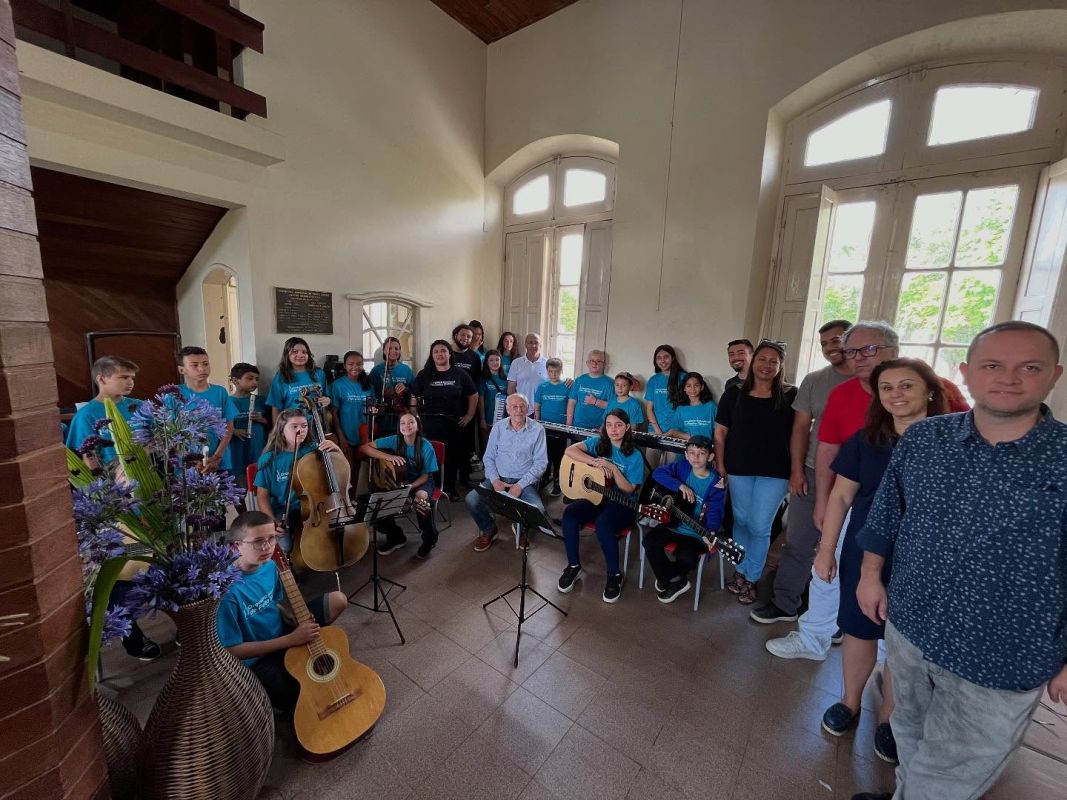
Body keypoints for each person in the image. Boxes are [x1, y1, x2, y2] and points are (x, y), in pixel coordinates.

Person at [850, 322, 1067, 800]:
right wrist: (869, 575)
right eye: (992, 365)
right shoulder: (926, 439)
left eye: (1028, 367)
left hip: (1002, 653)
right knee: (908, 735)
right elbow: (887, 513)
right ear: (967, 373)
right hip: (912, 625)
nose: (1008, 378)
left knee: (951, 773)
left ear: (1054, 374)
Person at [765, 321, 970, 660]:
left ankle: (895, 659)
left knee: (902, 582)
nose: (857, 358)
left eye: (868, 349)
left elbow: (970, 444)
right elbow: (828, 449)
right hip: (859, 502)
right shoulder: (842, 394)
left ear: (893, 349)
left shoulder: (939, 388)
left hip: (926, 515)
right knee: (827, 569)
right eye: (851, 351)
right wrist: (824, 502)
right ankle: (816, 637)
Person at [814, 358, 948, 765]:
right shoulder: (866, 440)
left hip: (923, 557)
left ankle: (890, 719)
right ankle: (850, 702)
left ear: (929, 390)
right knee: (859, 630)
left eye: (906, 386)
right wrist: (826, 549)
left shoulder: (952, 442)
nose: (896, 395)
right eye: (886, 388)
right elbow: (840, 496)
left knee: (904, 643)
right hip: (865, 550)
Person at [750, 319, 851, 625]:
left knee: (846, 550)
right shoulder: (815, 380)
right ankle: (785, 603)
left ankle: (836, 619)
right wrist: (796, 471)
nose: (831, 347)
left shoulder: (872, 379)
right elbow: (799, 429)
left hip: (855, 480)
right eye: (824, 343)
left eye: (838, 340)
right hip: (812, 470)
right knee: (798, 542)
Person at [216, 510, 347, 719]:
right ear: (236, 546)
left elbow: (274, 602)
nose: (268, 547)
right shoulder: (227, 593)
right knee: (305, 698)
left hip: (283, 633)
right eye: (258, 542)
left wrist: (291, 617)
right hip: (258, 657)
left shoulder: (268, 565)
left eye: (271, 538)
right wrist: (290, 640)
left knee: (338, 599)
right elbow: (232, 649)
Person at [713, 339, 795, 606]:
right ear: (754, 361)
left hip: (776, 473)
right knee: (740, 521)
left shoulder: (791, 395)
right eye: (763, 359)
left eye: (774, 361)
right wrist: (721, 465)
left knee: (759, 526)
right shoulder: (733, 393)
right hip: (739, 468)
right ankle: (740, 569)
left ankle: (752, 577)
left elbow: (798, 437)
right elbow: (721, 432)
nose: (767, 365)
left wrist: (796, 471)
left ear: (781, 365)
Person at [557, 409, 646, 603]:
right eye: (609, 425)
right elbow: (569, 451)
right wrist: (594, 461)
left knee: (603, 524)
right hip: (597, 496)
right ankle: (573, 565)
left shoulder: (635, 456)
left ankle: (614, 574)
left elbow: (630, 489)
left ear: (628, 427)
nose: (613, 429)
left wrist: (613, 469)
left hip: (623, 503)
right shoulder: (598, 443)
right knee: (570, 515)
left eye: (619, 425)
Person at [644, 435, 726, 604]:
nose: (695, 457)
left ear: (710, 457)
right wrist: (679, 485)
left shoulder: (716, 483)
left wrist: (710, 532)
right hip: (673, 523)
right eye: (692, 453)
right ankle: (675, 580)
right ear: (686, 455)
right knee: (650, 541)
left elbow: (715, 512)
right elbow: (658, 473)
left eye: (701, 453)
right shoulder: (682, 467)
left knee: (688, 558)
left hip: (694, 532)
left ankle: (666, 577)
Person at [465, 394, 548, 552]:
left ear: (528, 408)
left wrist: (520, 485)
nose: (519, 410)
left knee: (538, 509)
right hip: (499, 478)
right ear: (508, 410)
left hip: (525, 481)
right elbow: (488, 457)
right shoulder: (498, 427)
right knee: (471, 499)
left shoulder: (538, 430)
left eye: (522, 406)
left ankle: (522, 529)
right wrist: (495, 480)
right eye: (514, 407)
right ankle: (489, 529)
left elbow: (541, 463)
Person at [254, 408, 342, 553]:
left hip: (313, 509)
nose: (300, 430)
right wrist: (271, 522)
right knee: (284, 547)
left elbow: (340, 470)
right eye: (294, 426)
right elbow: (262, 497)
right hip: (282, 511)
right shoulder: (269, 459)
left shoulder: (313, 450)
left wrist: (336, 450)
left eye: (304, 426)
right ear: (282, 429)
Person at [358, 411, 441, 559]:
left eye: (411, 422)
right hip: (398, 482)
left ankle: (429, 539)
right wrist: (388, 456)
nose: (406, 426)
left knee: (421, 499)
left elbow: (425, 476)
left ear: (417, 426)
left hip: (421, 482)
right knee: (377, 505)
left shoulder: (426, 446)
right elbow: (364, 448)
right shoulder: (395, 440)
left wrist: (410, 487)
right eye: (403, 423)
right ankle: (396, 536)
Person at [410, 339, 478, 499]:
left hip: (453, 424)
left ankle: (449, 488)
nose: (440, 354)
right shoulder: (424, 374)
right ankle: (433, 488)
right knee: (432, 457)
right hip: (429, 424)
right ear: (432, 356)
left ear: (449, 354)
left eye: (443, 351)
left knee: (451, 458)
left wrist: (469, 416)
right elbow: (414, 396)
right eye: (436, 351)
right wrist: (414, 417)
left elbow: (473, 395)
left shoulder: (460, 374)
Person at [66, 355, 141, 468]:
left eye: (132, 378)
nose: (130, 382)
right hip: (113, 481)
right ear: (101, 379)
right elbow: (86, 458)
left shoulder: (140, 406)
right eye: (124, 377)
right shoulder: (86, 415)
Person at [177, 347, 237, 475]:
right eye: (195, 365)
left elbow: (229, 427)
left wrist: (216, 457)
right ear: (182, 369)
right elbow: (170, 434)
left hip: (219, 462)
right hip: (187, 465)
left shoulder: (220, 392)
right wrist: (192, 460)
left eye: (205, 364)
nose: (202, 368)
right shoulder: (174, 394)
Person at [265, 337, 330, 425]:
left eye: (304, 352)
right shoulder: (280, 377)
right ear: (287, 354)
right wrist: (277, 432)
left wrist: (327, 400)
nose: (300, 355)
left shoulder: (319, 373)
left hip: (318, 426)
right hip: (292, 427)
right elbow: (276, 407)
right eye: (294, 352)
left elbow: (327, 396)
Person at [228, 363, 269, 498]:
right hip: (236, 452)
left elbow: (274, 425)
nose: (254, 382)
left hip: (257, 450)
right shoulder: (226, 401)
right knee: (238, 489)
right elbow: (218, 426)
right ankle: (243, 516)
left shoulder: (261, 401)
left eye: (257, 379)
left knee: (261, 487)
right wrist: (233, 431)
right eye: (250, 378)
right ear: (235, 380)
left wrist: (263, 420)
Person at [534, 357, 569, 496]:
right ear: (547, 371)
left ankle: (557, 481)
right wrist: (537, 422)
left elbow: (570, 405)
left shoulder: (566, 386)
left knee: (559, 456)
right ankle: (545, 477)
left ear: (561, 371)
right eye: (550, 371)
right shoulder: (542, 387)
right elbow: (537, 406)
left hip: (560, 429)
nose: (553, 374)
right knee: (545, 454)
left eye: (556, 371)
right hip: (544, 428)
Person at [330, 350, 373, 462]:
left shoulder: (368, 385)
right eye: (351, 364)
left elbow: (372, 410)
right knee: (349, 470)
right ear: (344, 366)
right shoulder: (337, 385)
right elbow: (334, 413)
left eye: (359, 364)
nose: (355, 367)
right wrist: (341, 437)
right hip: (346, 436)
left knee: (361, 470)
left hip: (365, 436)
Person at [369, 336, 415, 436]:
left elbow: (415, 390)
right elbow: (370, 393)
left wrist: (405, 389)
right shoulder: (376, 371)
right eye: (389, 348)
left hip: (402, 419)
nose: (394, 351)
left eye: (396, 348)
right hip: (382, 420)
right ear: (384, 351)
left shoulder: (406, 370)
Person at [644, 345, 687, 438]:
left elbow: (689, 405)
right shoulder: (653, 380)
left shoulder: (684, 377)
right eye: (659, 358)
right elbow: (649, 409)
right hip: (655, 430)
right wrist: (658, 432)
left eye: (666, 357)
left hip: (677, 431)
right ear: (655, 361)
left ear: (673, 358)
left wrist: (675, 431)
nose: (662, 361)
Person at [567, 350, 613, 430]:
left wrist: (595, 402)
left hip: (597, 428)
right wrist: (568, 424)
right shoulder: (579, 380)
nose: (595, 363)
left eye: (599, 361)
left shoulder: (609, 383)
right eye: (592, 361)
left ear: (604, 365)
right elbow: (572, 402)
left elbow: (613, 406)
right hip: (577, 426)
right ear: (587, 363)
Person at [666, 372, 717, 441]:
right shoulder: (680, 408)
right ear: (684, 388)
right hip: (685, 449)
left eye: (696, 385)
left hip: (705, 449)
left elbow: (719, 431)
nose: (693, 389)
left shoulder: (711, 406)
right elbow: (675, 431)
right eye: (688, 386)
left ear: (702, 387)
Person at [506, 333, 549, 410]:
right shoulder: (516, 363)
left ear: (540, 345)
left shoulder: (547, 363)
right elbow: (510, 389)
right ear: (525, 345)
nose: (533, 346)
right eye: (530, 342)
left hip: (542, 410)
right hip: (521, 410)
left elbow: (555, 383)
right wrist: (514, 408)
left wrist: (568, 381)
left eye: (536, 342)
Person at [478, 349, 509, 444]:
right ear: (486, 362)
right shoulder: (483, 379)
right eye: (491, 360)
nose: (495, 362)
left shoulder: (506, 378)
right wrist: (482, 419)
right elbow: (481, 400)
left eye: (497, 360)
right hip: (488, 418)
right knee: (487, 445)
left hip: (503, 419)